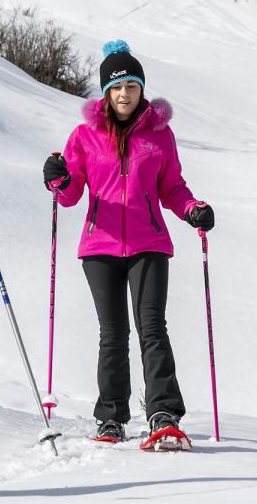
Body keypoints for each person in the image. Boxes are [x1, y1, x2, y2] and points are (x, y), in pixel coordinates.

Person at [42, 40, 214, 450]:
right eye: (116, 88)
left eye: (131, 87)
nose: (124, 94)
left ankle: (163, 412)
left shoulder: (160, 135)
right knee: (113, 333)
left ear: (141, 90)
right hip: (99, 247)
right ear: (105, 93)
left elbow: (172, 187)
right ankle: (111, 417)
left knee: (152, 327)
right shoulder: (85, 136)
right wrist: (59, 179)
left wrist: (192, 209)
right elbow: (69, 195)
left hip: (149, 244)